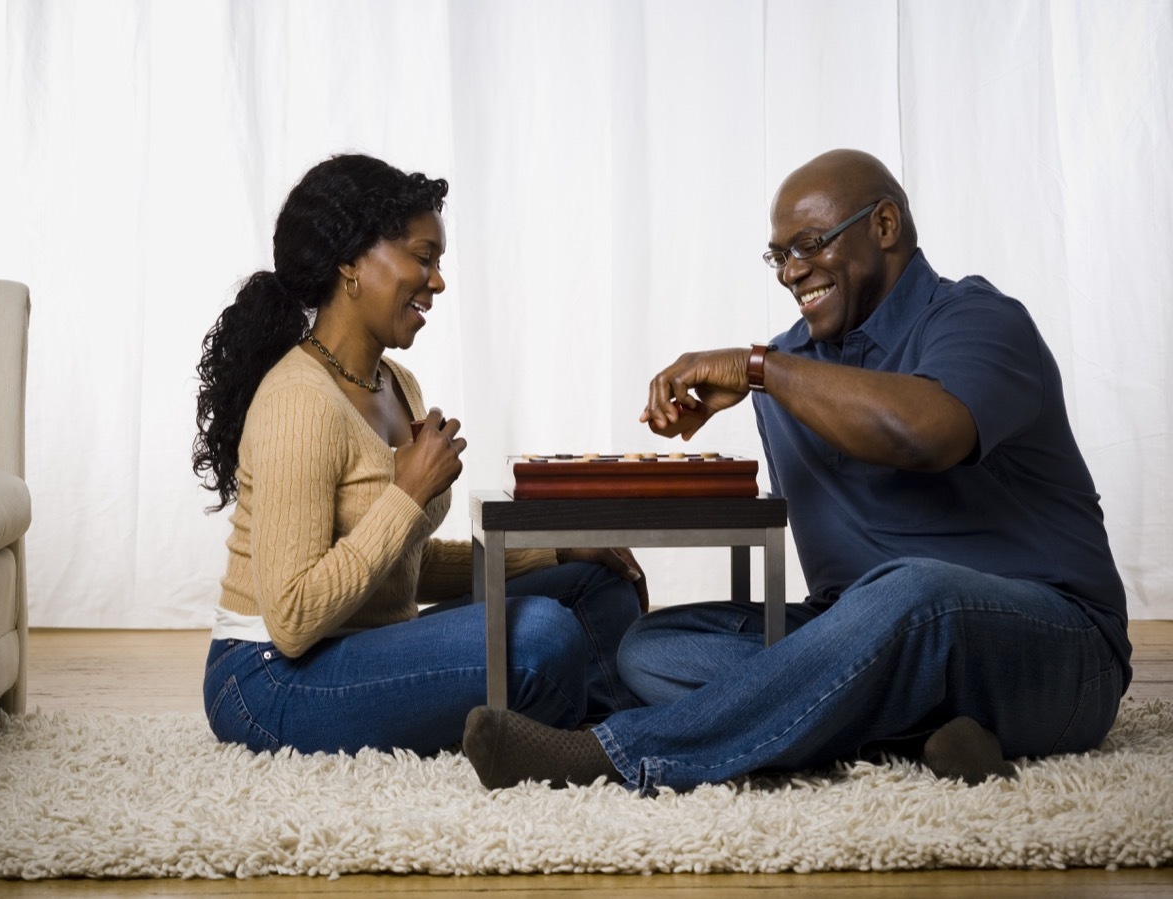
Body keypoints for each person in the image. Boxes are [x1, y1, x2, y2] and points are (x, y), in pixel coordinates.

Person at [461, 148, 1131, 794]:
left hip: (1056, 646)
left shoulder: (979, 320)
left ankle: (620, 754)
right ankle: (919, 734)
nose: (790, 271)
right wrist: (748, 390)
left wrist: (761, 371)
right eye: (779, 254)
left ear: (885, 225)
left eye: (809, 243)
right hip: (866, 637)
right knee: (653, 648)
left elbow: (924, 434)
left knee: (915, 593)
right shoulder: (791, 363)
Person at [192, 153, 644, 756]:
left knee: (591, 586)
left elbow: (402, 569)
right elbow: (294, 618)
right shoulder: (298, 402)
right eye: (423, 258)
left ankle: (597, 732)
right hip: (269, 678)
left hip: (363, 644)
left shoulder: (396, 383)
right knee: (539, 637)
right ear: (351, 262)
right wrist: (406, 494)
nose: (437, 282)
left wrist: (554, 551)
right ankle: (579, 719)